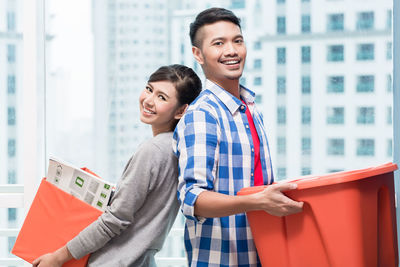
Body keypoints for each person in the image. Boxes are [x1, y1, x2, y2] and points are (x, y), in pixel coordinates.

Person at [32, 64, 202, 267]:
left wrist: (57, 258)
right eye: (149, 89)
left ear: (181, 111)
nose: (148, 100)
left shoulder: (152, 150)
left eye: (161, 97)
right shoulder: (177, 148)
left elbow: (114, 221)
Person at [173, 8, 304, 266]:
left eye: (237, 40)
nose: (231, 50)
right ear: (198, 54)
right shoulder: (203, 114)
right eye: (218, 43)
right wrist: (257, 202)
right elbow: (192, 197)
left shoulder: (250, 110)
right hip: (220, 260)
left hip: (262, 255)